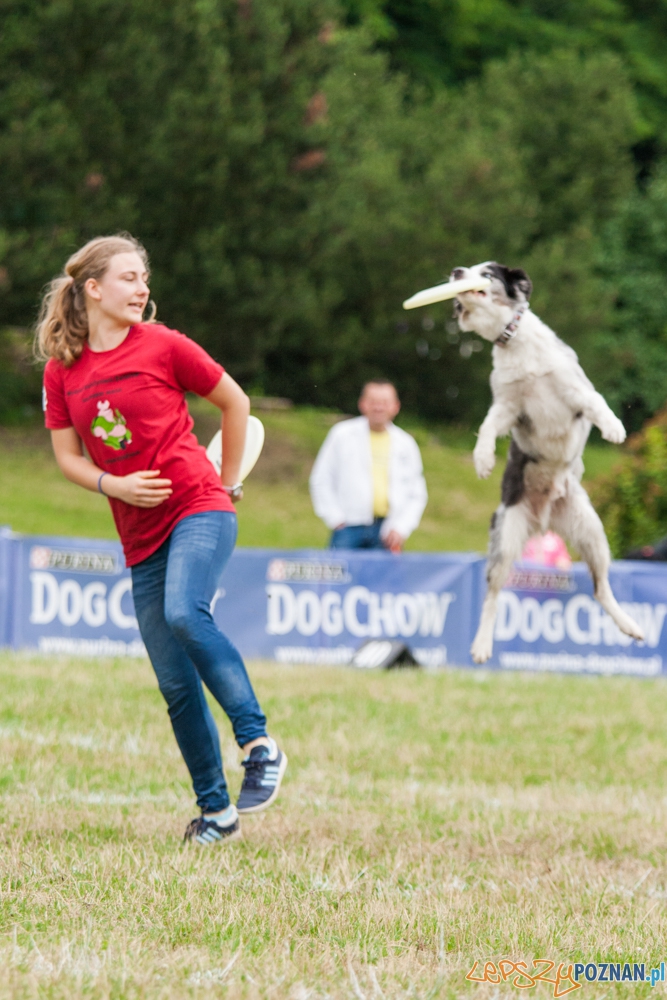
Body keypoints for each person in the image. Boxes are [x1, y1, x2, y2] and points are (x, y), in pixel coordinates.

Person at [38, 233, 286, 846]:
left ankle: (258, 744)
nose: (142, 287)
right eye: (129, 277)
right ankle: (218, 815)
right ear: (92, 288)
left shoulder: (165, 344)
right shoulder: (62, 370)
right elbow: (67, 457)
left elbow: (236, 404)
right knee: (176, 685)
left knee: (184, 612)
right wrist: (111, 485)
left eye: (144, 276)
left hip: (200, 507)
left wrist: (226, 482)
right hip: (139, 534)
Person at [309, 380, 427, 551]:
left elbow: (417, 493)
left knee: (384, 578)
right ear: (362, 404)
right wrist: (335, 518)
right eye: (373, 402)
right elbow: (321, 479)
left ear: (396, 406)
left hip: (388, 532)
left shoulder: (406, 444)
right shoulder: (341, 435)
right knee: (341, 576)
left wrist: (401, 527)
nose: (378, 408)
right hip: (347, 528)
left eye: (385, 403)